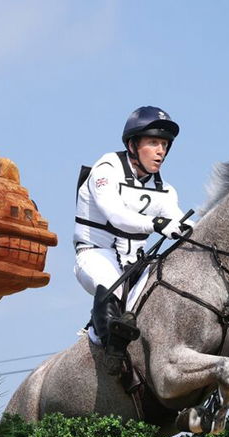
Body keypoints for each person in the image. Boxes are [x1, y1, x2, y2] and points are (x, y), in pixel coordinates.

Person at [74, 106, 193, 375]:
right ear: (132, 145)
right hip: (95, 253)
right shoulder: (106, 169)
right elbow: (116, 215)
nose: (161, 150)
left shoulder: (165, 189)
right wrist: (157, 224)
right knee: (111, 289)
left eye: (164, 144)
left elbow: (179, 220)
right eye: (153, 143)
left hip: (136, 265)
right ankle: (111, 359)